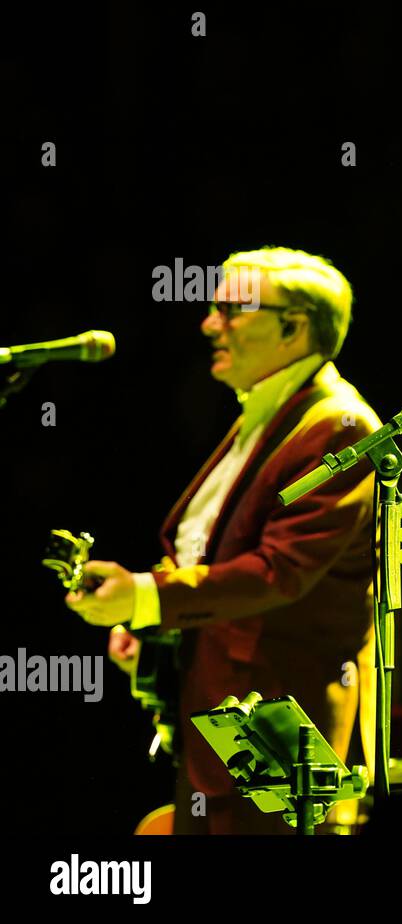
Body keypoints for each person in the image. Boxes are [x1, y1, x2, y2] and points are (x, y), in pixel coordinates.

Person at [66, 247, 379, 834]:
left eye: (232, 310)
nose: (210, 324)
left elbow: (278, 571)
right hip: (228, 716)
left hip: (283, 725)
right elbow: (209, 554)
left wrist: (146, 597)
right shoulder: (270, 412)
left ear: (294, 325)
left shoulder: (339, 427)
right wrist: (154, 622)